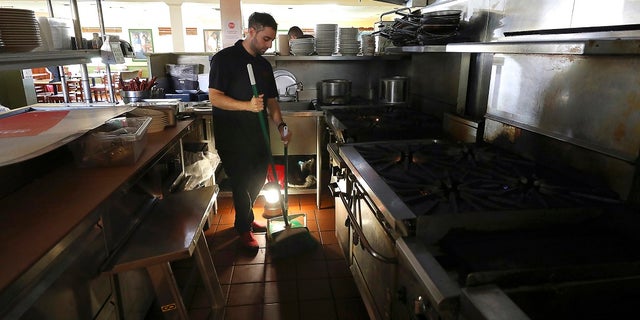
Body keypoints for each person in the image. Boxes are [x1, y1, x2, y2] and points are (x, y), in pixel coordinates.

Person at [208, 12, 292, 249]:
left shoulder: (263, 65)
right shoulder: (224, 59)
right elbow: (214, 97)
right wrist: (247, 105)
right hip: (232, 137)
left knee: (256, 180)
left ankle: (244, 220)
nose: (269, 45)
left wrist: (281, 126)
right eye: (266, 39)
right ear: (251, 31)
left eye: (272, 40)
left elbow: (272, 101)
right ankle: (244, 228)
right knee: (241, 182)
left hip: (258, 136)